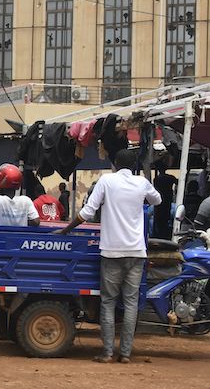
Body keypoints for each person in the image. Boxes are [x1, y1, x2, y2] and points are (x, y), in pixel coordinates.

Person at [57, 149, 161, 363]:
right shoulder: (141, 183)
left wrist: (66, 230)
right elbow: (157, 200)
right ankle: (125, 353)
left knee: (108, 302)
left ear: (114, 163)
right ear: (134, 166)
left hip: (112, 251)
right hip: (136, 252)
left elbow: (87, 212)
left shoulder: (107, 181)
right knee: (131, 303)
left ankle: (107, 352)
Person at [152, 163, 177, 239]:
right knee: (165, 217)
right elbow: (178, 182)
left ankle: (160, 234)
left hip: (160, 201)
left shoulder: (156, 179)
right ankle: (164, 234)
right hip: (167, 200)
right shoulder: (170, 177)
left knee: (159, 219)